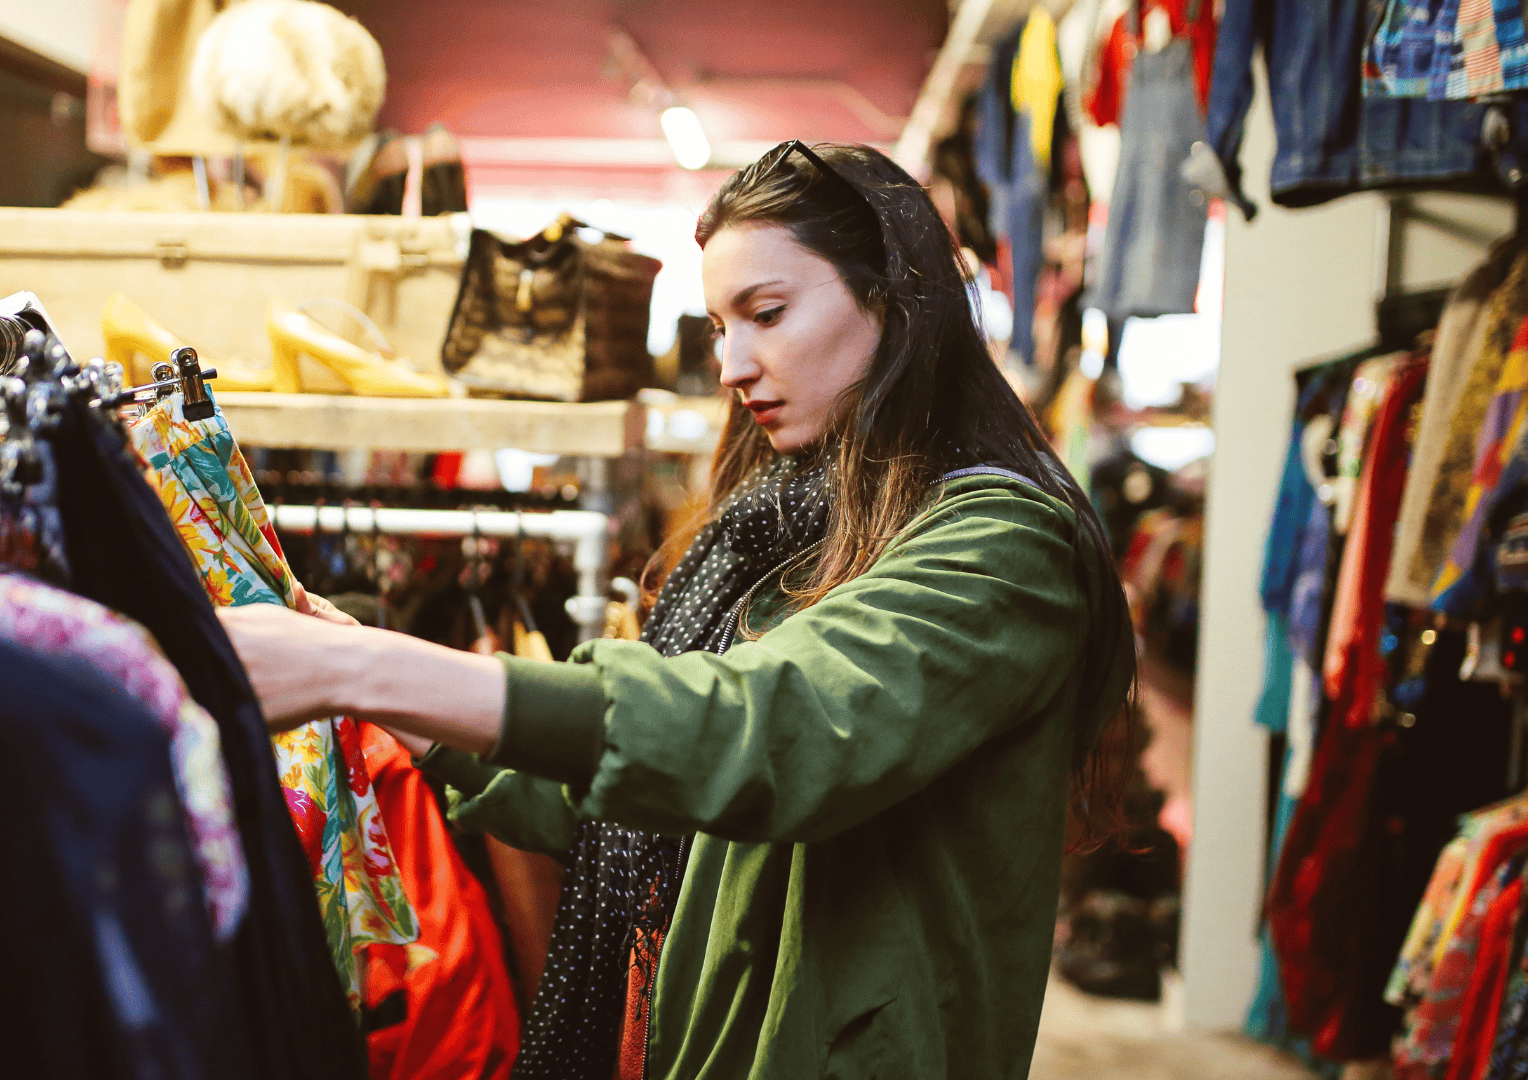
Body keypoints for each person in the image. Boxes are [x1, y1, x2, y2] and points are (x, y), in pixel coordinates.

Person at [219, 141, 1138, 1080]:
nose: (733, 364)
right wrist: (385, 691)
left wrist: (364, 669)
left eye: (767, 314)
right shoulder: (775, 537)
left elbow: (766, 728)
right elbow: (623, 798)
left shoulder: (1003, 546)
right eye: (719, 327)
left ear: (893, 301)